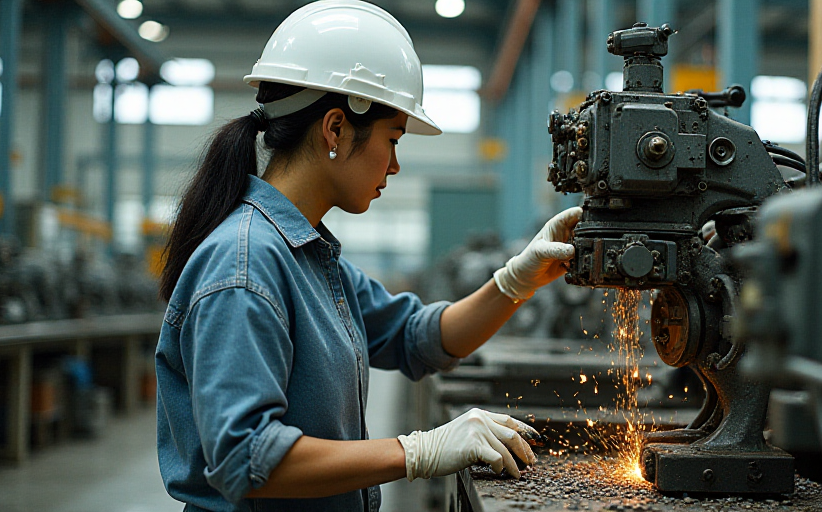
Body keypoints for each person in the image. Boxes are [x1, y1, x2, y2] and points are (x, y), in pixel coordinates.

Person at [154, 1, 582, 510]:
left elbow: (417, 336)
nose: (395, 165)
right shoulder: (245, 264)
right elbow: (246, 457)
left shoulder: (308, 255)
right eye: (392, 138)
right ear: (335, 129)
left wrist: (519, 279)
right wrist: (418, 451)